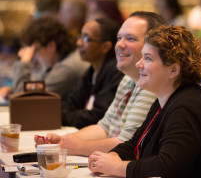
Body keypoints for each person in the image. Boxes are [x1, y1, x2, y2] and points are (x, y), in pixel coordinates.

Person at [88, 25, 201, 178]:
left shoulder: (188, 106)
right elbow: (136, 143)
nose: (139, 64)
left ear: (173, 70)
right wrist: (111, 157)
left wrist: (117, 166)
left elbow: (168, 167)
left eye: (148, 58)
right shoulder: (165, 100)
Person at [34, 11, 168, 156]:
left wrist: (77, 147)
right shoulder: (128, 78)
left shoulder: (152, 86)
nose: (120, 45)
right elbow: (104, 127)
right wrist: (64, 141)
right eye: (119, 38)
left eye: (130, 38)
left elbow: (127, 144)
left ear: (152, 46)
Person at [1, 17, 89, 101]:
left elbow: (24, 101)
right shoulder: (63, 60)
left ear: (51, 46)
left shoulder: (67, 68)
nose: (34, 58)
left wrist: (24, 62)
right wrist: (12, 89)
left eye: (36, 51)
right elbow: (40, 86)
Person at [62, 18, 124, 129]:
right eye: (79, 37)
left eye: (86, 38)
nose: (79, 43)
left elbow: (98, 116)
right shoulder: (91, 71)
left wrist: (63, 117)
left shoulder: (117, 73)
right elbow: (71, 102)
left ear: (105, 47)